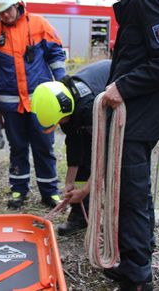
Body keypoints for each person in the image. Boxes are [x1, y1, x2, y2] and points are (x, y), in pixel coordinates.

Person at [73, 0, 159, 291]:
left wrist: (122, 88)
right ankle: (133, 260)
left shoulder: (145, 1)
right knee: (130, 195)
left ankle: (137, 276)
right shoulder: (137, 2)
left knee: (130, 198)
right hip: (135, 121)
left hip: (136, 123)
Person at [0, 0, 67, 209]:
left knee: (44, 146)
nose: (4, 16)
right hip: (11, 106)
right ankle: (19, 190)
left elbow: (56, 57)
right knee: (17, 147)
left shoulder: (39, 25)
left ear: (17, 4)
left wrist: (63, 87)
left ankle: (50, 192)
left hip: (41, 103)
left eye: (7, 11)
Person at [31, 59, 111, 236]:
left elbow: (106, 153)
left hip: (124, 104)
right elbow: (74, 144)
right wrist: (69, 182)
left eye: (59, 121)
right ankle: (80, 216)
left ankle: (120, 222)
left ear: (65, 111)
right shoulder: (64, 103)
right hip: (91, 113)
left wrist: (84, 190)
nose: (60, 124)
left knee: (120, 168)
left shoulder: (90, 109)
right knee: (82, 160)